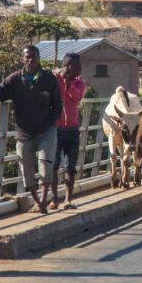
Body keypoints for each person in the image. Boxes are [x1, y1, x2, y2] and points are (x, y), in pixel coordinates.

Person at [0, 45, 62, 214]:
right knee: (26, 168)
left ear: (39, 58)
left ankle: (43, 200)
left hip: (46, 130)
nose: (31, 60)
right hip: (24, 132)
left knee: (45, 164)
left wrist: (54, 122)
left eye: (34, 57)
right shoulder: (15, 79)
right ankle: (37, 202)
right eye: (28, 57)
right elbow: (1, 89)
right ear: (22, 59)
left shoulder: (49, 78)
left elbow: (58, 102)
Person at [48, 53, 86, 210]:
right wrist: (60, 78)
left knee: (70, 166)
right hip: (56, 129)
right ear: (69, 66)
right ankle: (54, 199)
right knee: (54, 165)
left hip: (73, 128)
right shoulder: (53, 79)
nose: (81, 69)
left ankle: (68, 199)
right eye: (78, 66)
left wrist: (68, 84)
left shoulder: (79, 83)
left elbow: (77, 98)